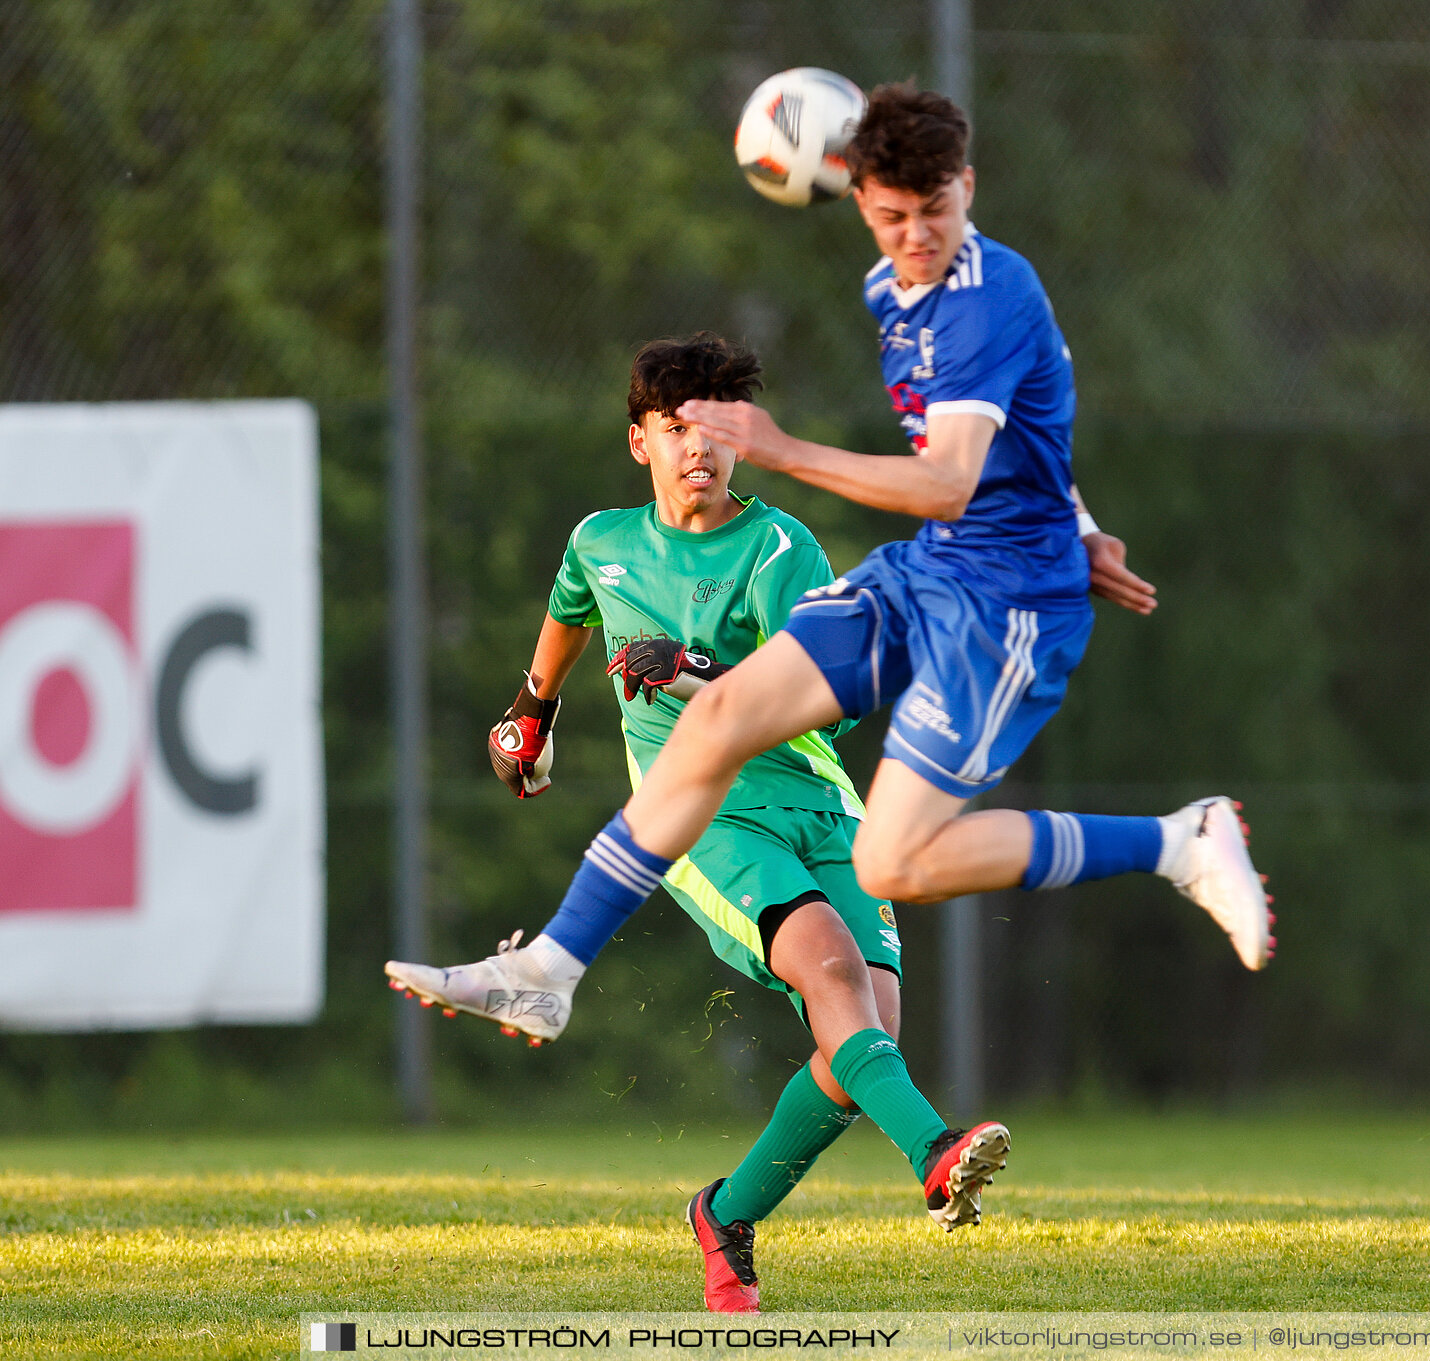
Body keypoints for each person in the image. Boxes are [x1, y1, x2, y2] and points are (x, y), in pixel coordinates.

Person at [390, 80, 1275, 1304]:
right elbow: (1031, 445)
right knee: (711, 725)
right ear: (851, 196)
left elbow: (957, 475)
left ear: (972, 188)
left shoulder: (985, 299)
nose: (916, 234)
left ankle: (1181, 841)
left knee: (896, 880)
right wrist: (1081, 517)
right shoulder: (881, 294)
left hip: (1002, 606)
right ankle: (556, 969)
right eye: (892, 212)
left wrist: (785, 444)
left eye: (938, 208)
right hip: (928, 577)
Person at [387, 332, 1008, 1313]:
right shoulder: (602, 541)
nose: (698, 449)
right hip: (709, 816)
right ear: (641, 441)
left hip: (823, 806)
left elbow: (830, 700)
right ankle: (935, 1150)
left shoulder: (777, 548)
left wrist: (698, 673)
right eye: (675, 429)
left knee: (858, 1049)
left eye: (717, 430)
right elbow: (567, 608)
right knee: (837, 977)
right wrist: (531, 711)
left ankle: (726, 1214)